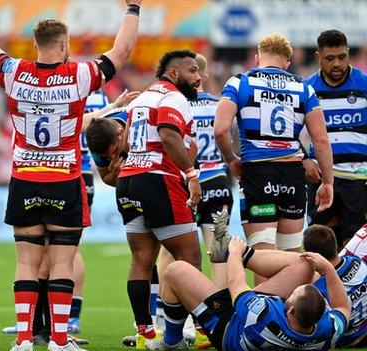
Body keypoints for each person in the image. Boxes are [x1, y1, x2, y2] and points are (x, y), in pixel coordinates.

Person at [0, 0, 141, 349]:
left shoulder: (14, 72)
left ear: (36, 44)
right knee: (63, 261)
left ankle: (23, 339)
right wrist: (134, 8)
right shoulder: (79, 75)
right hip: (64, 177)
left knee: (27, 261)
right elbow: (122, 50)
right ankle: (59, 340)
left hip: (25, 177)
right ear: (64, 45)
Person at [1, 88, 138, 346]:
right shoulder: (88, 91)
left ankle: (42, 328)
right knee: (57, 256)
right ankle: (51, 328)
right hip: (69, 174)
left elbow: (81, 125)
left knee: (47, 257)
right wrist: (114, 106)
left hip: (54, 172)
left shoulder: (43, 88)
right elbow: (85, 124)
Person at [97, 49, 202, 350]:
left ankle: (145, 335)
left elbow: (128, 141)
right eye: (193, 70)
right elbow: (168, 136)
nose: (199, 77)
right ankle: (181, 335)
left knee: (141, 260)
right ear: (173, 73)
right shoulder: (173, 98)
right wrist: (192, 175)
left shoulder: (141, 98)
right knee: (189, 258)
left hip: (130, 180)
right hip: (158, 180)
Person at [214, 33, 334, 285]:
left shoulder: (240, 82)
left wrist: (232, 160)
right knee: (292, 255)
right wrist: (328, 183)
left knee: (263, 254)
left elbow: (220, 129)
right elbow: (321, 139)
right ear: (287, 62)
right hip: (292, 177)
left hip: (258, 176)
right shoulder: (303, 87)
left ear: (257, 58)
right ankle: (292, 319)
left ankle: (264, 319)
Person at [160, 236, 351, 351]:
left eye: (291, 295)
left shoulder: (261, 313)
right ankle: (248, 254)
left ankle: (173, 342)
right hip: (251, 317)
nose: (289, 293)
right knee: (306, 265)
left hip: (228, 326)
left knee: (175, 270)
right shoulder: (328, 331)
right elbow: (343, 306)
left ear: (291, 311)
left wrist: (234, 251)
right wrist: (328, 267)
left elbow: (235, 282)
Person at [302, 29, 367, 248]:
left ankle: (355, 283)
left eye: (342, 57)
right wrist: (305, 159)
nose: (337, 64)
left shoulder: (364, 84)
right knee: (324, 245)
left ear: (348, 53)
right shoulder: (307, 89)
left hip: (358, 177)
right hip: (320, 178)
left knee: (354, 244)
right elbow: (294, 132)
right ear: (318, 57)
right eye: (330, 58)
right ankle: (326, 283)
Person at [189, 53, 232, 288]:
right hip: (217, 180)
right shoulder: (219, 106)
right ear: (205, 75)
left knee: (173, 252)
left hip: (188, 182)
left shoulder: (178, 106)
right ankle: (222, 315)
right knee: (219, 251)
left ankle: (169, 317)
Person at [303, 224, 367, 347]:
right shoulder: (357, 261)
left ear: (309, 255)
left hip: (348, 340)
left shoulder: (318, 290)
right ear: (336, 245)